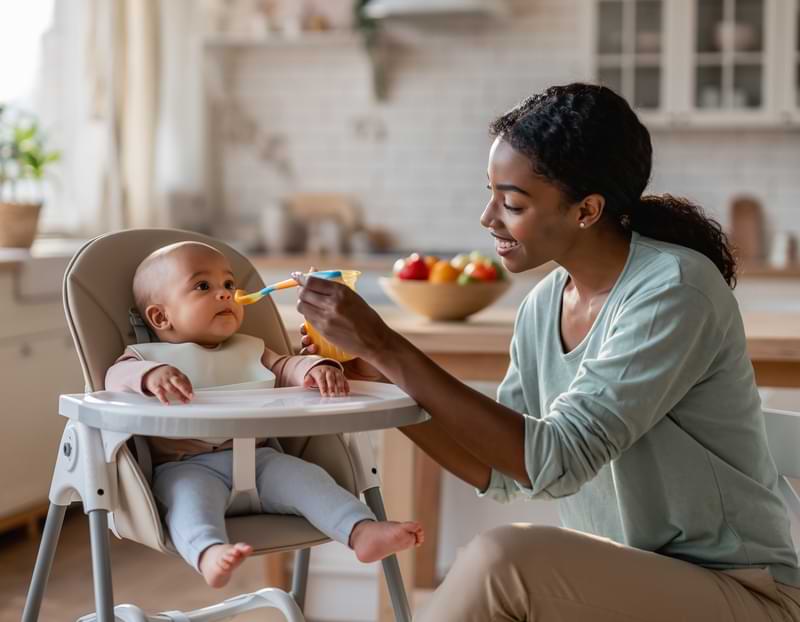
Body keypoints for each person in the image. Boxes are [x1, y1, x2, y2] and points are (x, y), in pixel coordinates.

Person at [295, 83, 800, 621]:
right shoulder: (543, 306)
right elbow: (508, 472)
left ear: (586, 210)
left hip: (742, 595)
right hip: (619, 585)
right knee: (501, 562)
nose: (488, 218)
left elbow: (555, 461)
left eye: (512, 203)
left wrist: (385, 343)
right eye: (490, 194)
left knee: (503, 562)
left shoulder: (673, 290)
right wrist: (379, 370)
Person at [105, 241, 423, 588]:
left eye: (228, 284)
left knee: (310, 480)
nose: (225, 294)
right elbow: (113, 380)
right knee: (189, 503)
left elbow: (286, 366)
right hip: (185, 466)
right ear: (160, 317)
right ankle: (209, 552)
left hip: (262, 461)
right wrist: (150, 377)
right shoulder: (146, 357)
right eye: (203, 286)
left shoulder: (250, 348)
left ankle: (360, 531)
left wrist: (316, 368)